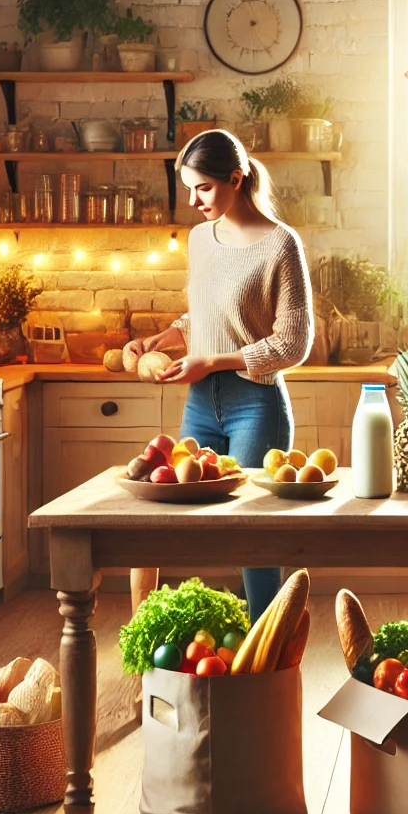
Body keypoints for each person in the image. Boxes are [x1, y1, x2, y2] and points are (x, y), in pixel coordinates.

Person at [125, 130, 313, 622]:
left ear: (236, 178)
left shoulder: (280, 244)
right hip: (199, 402)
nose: (193, 201)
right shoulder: (199, 239)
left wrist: (215, 361)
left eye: (203, 188)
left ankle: (267, 658)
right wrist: (162, 339)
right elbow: (202, 318)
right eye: (188, 188)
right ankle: (155, 639)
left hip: (256, 405)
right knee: (166, 517)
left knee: (252, 537)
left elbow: (293, 344)